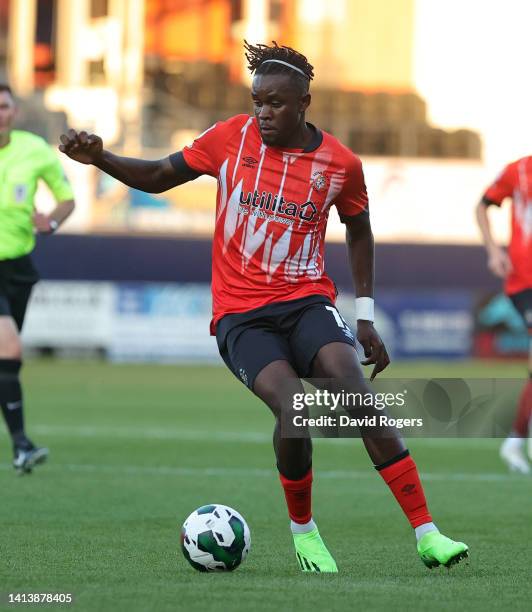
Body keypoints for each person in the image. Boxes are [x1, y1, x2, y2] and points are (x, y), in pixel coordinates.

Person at [59, 41, 468, 572]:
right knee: (294, 408)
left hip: (307, 301)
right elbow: (160, 176)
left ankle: (428, 534)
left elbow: (360, 228)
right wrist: (102, 158)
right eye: (258, 101)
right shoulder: (230, 138)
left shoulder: (340, 164)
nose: (264, 111)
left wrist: (364, 313)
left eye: (276, 102)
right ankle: (305, 533)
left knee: (358, 395)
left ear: (304, 102)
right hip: (241, 314)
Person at [0, 84, 75, 474]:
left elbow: (66, 198)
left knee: (5, 363)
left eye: (4, 106)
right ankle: (23, 444)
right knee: (8, 349)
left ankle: (20, 449)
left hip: (17, 268)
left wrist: (53, 221)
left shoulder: (33, 151)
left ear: (13, 112)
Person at [477, 156, 532, 474]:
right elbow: (482, 205)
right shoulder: (519, 170)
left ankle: (514, 441)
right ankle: (514, 441)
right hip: (525, 283)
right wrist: (493, 250)